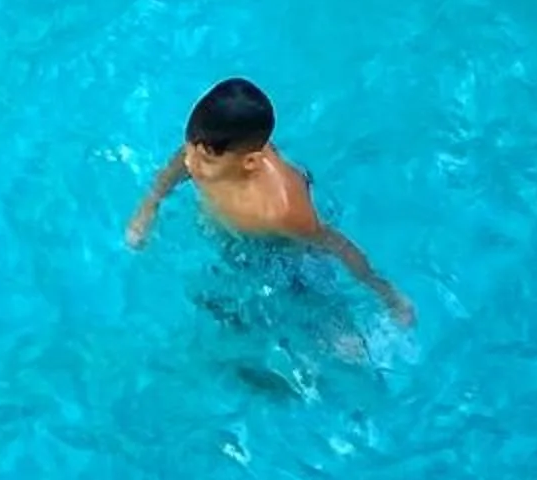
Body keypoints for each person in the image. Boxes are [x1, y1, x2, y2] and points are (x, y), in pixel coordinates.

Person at [126, 77, 415, 322]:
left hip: (278, 253)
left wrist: (386, 293)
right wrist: (149, 206)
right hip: (234, 236)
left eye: (203, 159)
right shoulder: (206, 151)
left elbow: (335, 244)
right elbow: (180, 164)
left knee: (314, 320)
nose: (190, 163)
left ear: (251, 161)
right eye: (189, 148)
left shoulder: (283, 210)